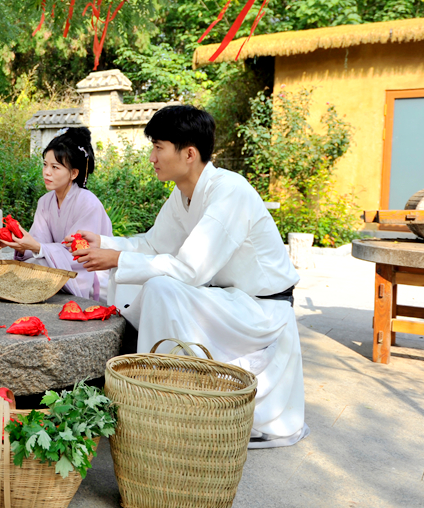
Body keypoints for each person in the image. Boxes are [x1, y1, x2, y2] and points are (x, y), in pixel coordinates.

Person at [71, 105, 308, 449]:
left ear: (189, 153)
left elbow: (190, 270)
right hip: (229, 301)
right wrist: (104, 244)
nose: (151, 156)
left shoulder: (230, 191)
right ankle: (157, 389)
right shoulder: (182, 194)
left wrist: (118, 258)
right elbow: (152, 244)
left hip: (260, 310)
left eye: (158, 147)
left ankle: (165, 402)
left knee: (161, 288)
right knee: (135, 278)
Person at [0, 127, 113, 301]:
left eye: (55, 167)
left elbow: (79, 253)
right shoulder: (45, 201)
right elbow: (38, 242)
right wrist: (19, 244)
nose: (47, 172)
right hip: (58, 265)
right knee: (29, 267)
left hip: (87, 273)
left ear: (74, 173)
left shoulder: (89, 203)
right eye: (45, 165)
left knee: (36, 267)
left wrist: (37, 248)